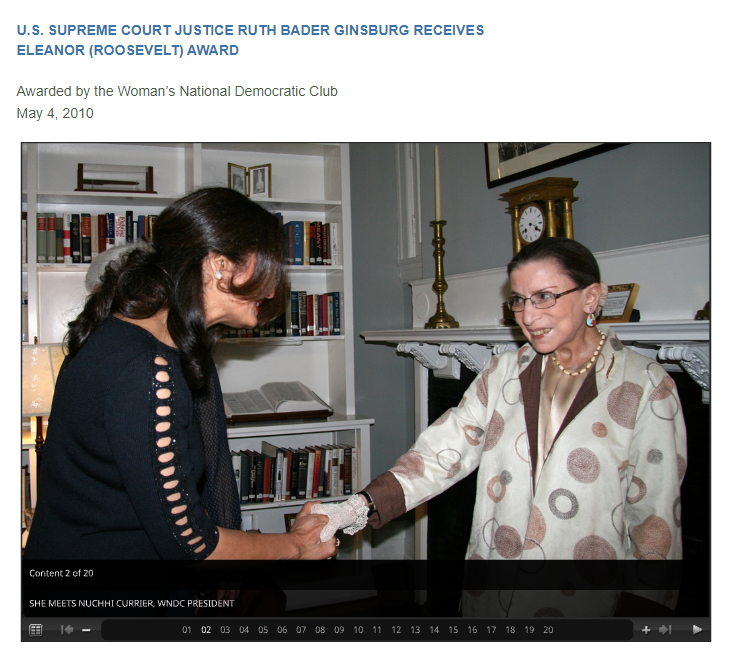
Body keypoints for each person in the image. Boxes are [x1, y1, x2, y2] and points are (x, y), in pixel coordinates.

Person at [317, 237, 687, 617]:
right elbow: (439, 454)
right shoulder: (503, 372)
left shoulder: (645, 386)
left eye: (544, 296)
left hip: (582, 599)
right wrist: (353, 509)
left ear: (591, 297)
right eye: (519, 300)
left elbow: (654, 519)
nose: (527, 316)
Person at [24, 187, 336, 562]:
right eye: (266, 264)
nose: (271, 289)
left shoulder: (132, 340)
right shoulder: (145, 368)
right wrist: (297, 546)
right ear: (217, 263)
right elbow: (189, 542)